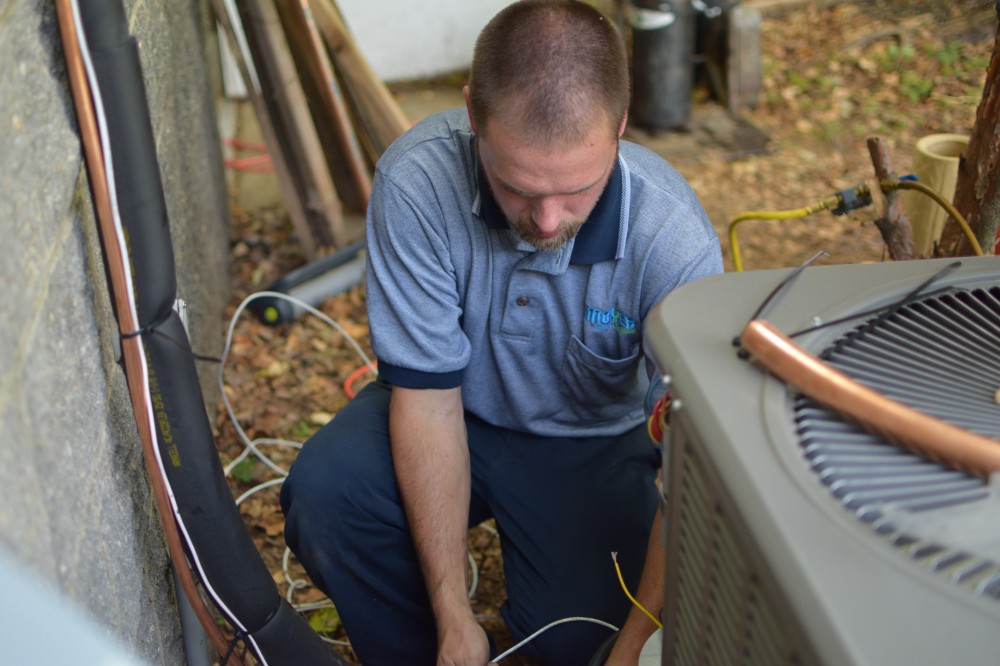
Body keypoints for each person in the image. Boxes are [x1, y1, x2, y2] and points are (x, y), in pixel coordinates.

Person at [280, 1, 723, 664]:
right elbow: (427, 399)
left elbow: (691, 466)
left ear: (621, 128)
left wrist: (631, 650)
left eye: (577, 189)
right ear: (472, 116)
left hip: (593, 444)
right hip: (452, 408)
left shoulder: (671, 238)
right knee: (328, 495)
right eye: (517, 187)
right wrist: (452, 618)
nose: (546, 221)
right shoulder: (417, 183)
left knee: (581, 644)